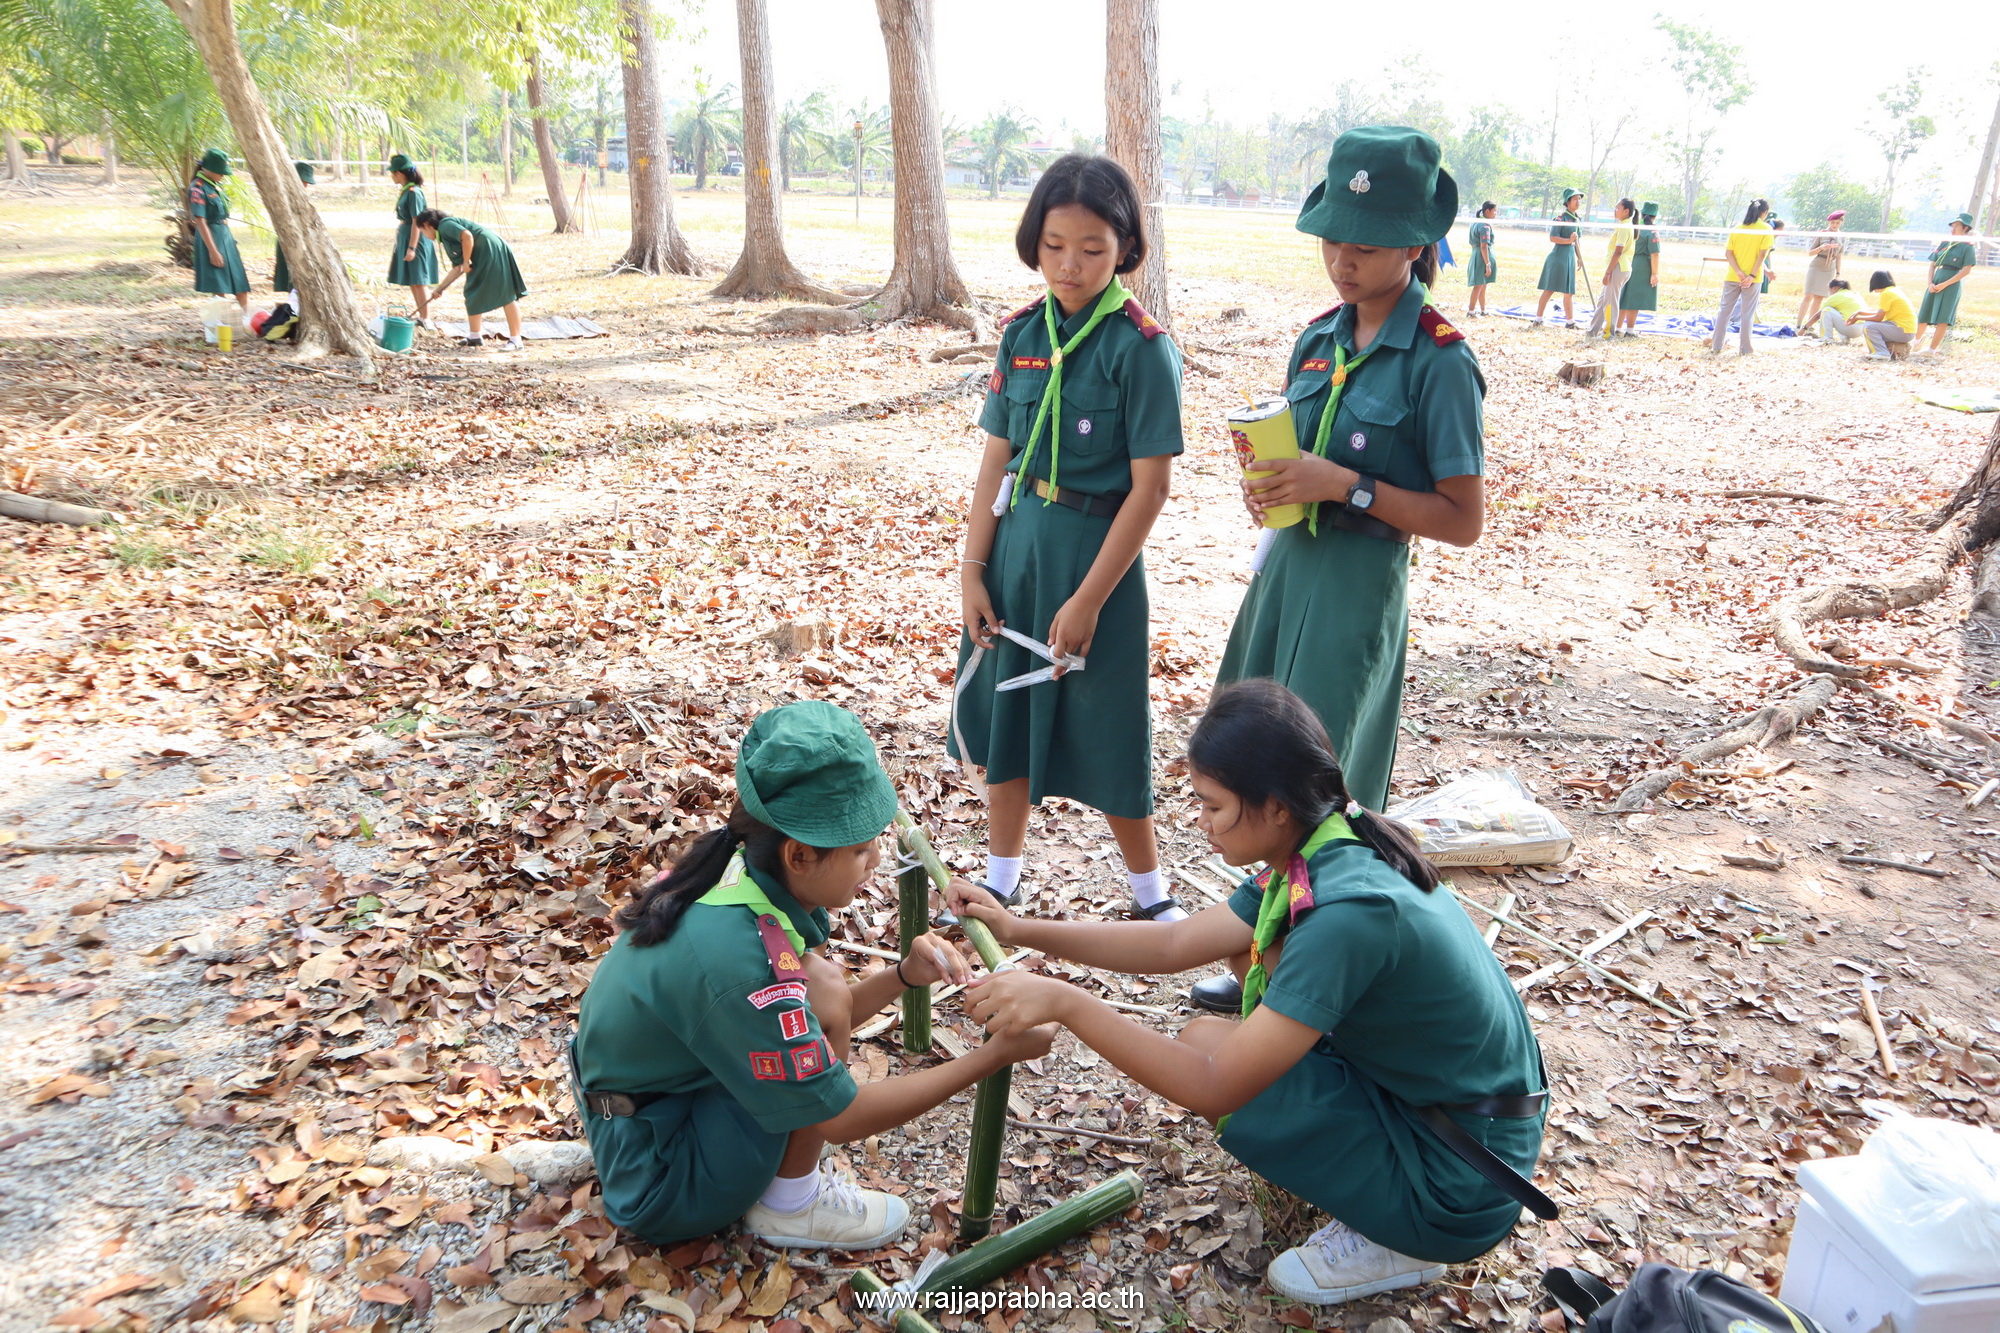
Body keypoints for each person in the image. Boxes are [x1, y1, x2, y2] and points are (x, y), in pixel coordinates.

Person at [949, 679, 1547, 1307]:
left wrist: (1067, 1003)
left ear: (1276, 805)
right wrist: (1018, 927)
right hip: (1445, 1111)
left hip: (1462, 1180)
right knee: (1205, 1028)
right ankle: (1374, 1178)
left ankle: (1406, 1241)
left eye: (1213, 806)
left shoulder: (1348, 915)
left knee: (1223, 1070)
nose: (1201, 823)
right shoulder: (1327, 838)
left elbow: (1215, 1086)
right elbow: (1174, 943)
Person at [572, 700, 1055, 1248]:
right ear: (799, 856)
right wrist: (994, 1056)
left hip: (645, 1113)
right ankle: (791, 1205)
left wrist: (904, 975)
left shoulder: (735, 869)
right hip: (661, 1180)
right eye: (860, 848)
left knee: (820, 985)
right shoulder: (740, 963)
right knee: (818, 993)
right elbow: (841, 1116)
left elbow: (814, 1013)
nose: (876, 859)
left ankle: (777, 1188)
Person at [1200, 126, 1485, 1014]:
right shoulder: (1318, 340)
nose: (1343, 259)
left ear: (1416, 243)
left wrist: (1346, 486)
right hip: (1287, 572)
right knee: (1253, 765)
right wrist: (1272, 484)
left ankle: (1312, 975)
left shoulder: (1440, 359)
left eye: (1366, 242)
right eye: (1333, 238)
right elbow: (1299, 458)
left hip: (1357, 588)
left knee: (1319, 784)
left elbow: (1463, 519)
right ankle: (1261, 950)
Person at [951, 154, 1185, 922]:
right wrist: (972, 570)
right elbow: (996, 460)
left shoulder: (1140, 347)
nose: (1070, 265)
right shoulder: (1021, 333)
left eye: (1091, 248)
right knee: (1007, 713)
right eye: (1054, 245)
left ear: (1126, 247)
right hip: (1017, 551)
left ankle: (1152, 895)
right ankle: (1001, 876)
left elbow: (1151, 489)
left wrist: (1088, 599)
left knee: (1110, 721)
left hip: (1098, 559)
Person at [413, 209, 527, 350]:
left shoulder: (445, 225)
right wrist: (440, 289)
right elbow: (458, 268)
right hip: (483, 253)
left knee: (506, 294)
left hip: (490, 249)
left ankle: (516, 340)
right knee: (472, 291)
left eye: (422, 231)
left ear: (427, 224)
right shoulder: (445, 236)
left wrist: (467, 261)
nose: (424, 235)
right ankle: (475, 337)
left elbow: (467, 236)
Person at [188, 148, 250, 317]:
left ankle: (246, 320)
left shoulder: (215, 185)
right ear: (207, 169)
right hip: (211, 238)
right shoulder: (198, 188)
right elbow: (201, 221)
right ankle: (222, 323)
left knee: (240, 282)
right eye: (220, 172)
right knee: (219, 286)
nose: (222, 175)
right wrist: (213, 251)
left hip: (225, 236)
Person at [1709, 198, 1773, 356]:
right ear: (1764, 213)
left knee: (1724, 311)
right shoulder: (1766, 229)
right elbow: (1762, 255)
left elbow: (1728, 253)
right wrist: (1751, 275)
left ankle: (1716, 346)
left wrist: (1738, 271)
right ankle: (1745, 349)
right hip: (1753, 278)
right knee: (1747, 314)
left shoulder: (1738, 228)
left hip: (1733, 276)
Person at [386, 154, 440, 328]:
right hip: (406, 236)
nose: (392, 176)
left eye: (393, 173)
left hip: (415, 240)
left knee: (419, 279)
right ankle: (421, 317)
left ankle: (427, 318)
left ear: (399, 173)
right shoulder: (406, 191)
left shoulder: (414, 193)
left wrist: (412, 247)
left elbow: (417, 222)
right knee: (412, 280)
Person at [1915, 214, 1978, 354]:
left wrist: (1945, 284)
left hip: (1951, 284)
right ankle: (1916, 342)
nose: (1953, 229)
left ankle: (1931, 350)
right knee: (1925, 312)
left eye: (1957, 226)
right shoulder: (1945, 243)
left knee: (1943, 317)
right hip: (1936, 280)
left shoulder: (1967, 247)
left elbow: (1966, 270)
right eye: (1952, 226)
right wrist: (1930, 283)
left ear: (1965, 228)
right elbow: (1933, 264)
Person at [1584, 198, 1635, 338]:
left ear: (1626, 211)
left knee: (1611, 302)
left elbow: (1618, 251)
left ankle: (1609, 333)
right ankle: (1593, 330)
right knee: (1603, 301)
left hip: (1618, 268)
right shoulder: (1624, 225)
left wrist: (1608, 272)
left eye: (1618, 208)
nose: (1615, 211)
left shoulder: (1624, 227)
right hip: (1618, 267)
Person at [1534, 189, 1584, 326]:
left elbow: (1577, 240)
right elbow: (1553, 237)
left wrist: (1579, 257)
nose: (1578, 201)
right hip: (1558, 257)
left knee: (1569, 291)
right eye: (1575, 199)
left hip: (1570, 257)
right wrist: (1568, 240)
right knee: (1549, 289)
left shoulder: (1578, 219)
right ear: (1567, 202)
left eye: (1579, 199)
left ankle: (1570, 322)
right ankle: (1538, 319)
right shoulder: (1561, 219)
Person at [1614, 201, 1662, 338]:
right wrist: (1654, 273)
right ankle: (1630, 330)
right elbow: (1655, 254)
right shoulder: (1651, 231)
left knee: (1623, 296)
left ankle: (1617, 327)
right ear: (1654, 216)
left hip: (1627, 261)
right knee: (1634, 299)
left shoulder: (1633, 225)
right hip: (1641, 266)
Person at [270, 160, 313, 299]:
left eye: (306, 183)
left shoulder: (302, 196)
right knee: (292, 276)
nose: (305, 185)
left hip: (302, 239)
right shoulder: (283, 195)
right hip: (289, 239)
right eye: (303, 181)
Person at [1852, 269, 1916, 361]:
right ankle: (1882, 351)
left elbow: (1878, 318)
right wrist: (1860, 313)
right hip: (1907, 331)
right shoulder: (1894, 290)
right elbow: (1880, 314)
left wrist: (1858, 318)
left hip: (1903, 331)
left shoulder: (1886, 293)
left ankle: (1881, 353)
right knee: (1870, 324)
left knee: (1868, 326)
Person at [1798, 210, 1845, 332]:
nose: (1834, 225)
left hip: (1830, 267)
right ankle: (1798, 323)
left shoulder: (1842, 236)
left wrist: (1838, 273)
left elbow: (1839, 256)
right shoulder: (1822, 233)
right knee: (1808, 295)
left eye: (1837, 223)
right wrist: (1821, 248)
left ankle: (1809, 325)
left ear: (1841, 223)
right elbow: (1810, 252)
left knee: (1819, 297)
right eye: (1832, 222)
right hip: (1817, 264)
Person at [1465, 202, 1497, 316]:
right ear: (1487, 211)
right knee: (1478, 285)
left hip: (1476, 254)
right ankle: (1471, 311)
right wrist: (1488, 264)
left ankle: (1483, 310)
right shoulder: (1484, 226)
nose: (1495, 214)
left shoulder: (1475, 222)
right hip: (1482, 256)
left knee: (1483, 285)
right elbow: (1484, 246)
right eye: (1494, 211)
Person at [1817, 278, 1863, 342]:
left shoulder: (1836, 296)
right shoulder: (1855, 294)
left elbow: (1818, 315)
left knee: (1826, 310)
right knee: (1841, 312)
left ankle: (1827, 337)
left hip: (1850, 328)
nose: (1829, 292)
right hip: (1861, 329)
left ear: (1834, 288)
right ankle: (1845, 338)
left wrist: (1805, 327)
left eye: (1829, 289)